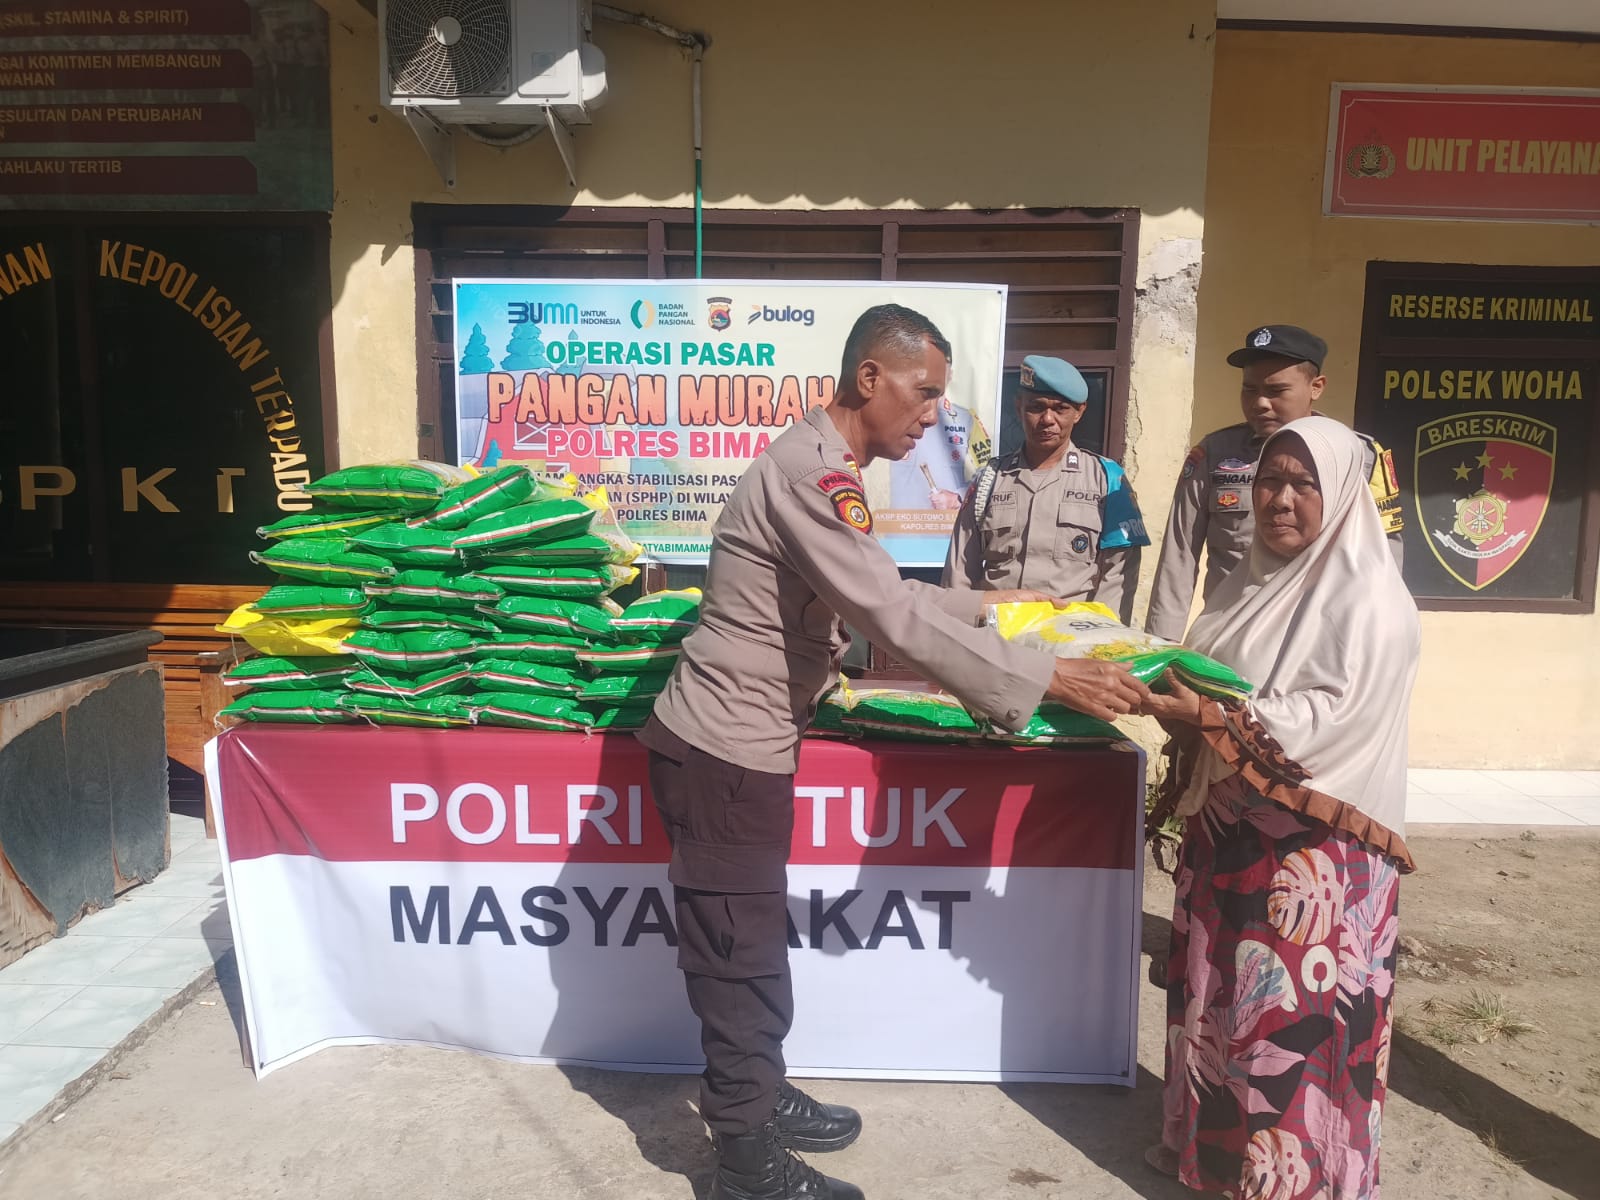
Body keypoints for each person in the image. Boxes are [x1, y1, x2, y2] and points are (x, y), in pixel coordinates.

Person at [638, 305, 1148, 1200]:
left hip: (748, 747)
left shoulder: (828, 467)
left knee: (752, 937)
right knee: (735, 952)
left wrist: (991, 603)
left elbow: (882, 589)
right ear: (869, 378)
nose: (932, 414)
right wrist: (1044, 677)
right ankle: (745, 1160)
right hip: (724, 751)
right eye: (925, 392)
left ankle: (761, 1092)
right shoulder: (810, 475)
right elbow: (888, 614)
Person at [1138, 414, 1420, 1199]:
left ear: (1343, 495)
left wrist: (1211, 714)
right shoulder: (1247, 586)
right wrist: (1169, 691)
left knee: (1294, 1026)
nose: (1281, 500)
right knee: (1223, 1008)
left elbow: (1334, 720)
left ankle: (1298, 1180)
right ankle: (1214, 1157)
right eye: (1269, 481)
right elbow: (1209, 675)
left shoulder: (1373, 603)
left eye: (1303, 484)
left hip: (1316, 865)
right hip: (1228, 844)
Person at [1145, 325, 1404, 641]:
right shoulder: (1214, 453)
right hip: (1230, 632)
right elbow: (1179, 555)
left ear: (1316, 387)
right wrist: (1161, 645)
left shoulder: (1359, 456)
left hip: (1317, 637)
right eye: (1250, 390)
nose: (1260, 403)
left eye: (1276, 391)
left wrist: (1378, 637)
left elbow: (1383, 558)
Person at [941, 355, 1149, 623]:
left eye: (1060, 409)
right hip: (996, 636)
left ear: (1079, 412)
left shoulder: (1106, 479)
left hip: (1071, 636)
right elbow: (959, 571)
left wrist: (1103, 635)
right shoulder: (989, 479)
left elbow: (1119, 572)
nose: (1047, 419)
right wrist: (958, 632)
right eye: (1036, 407)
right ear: (1019, 407)